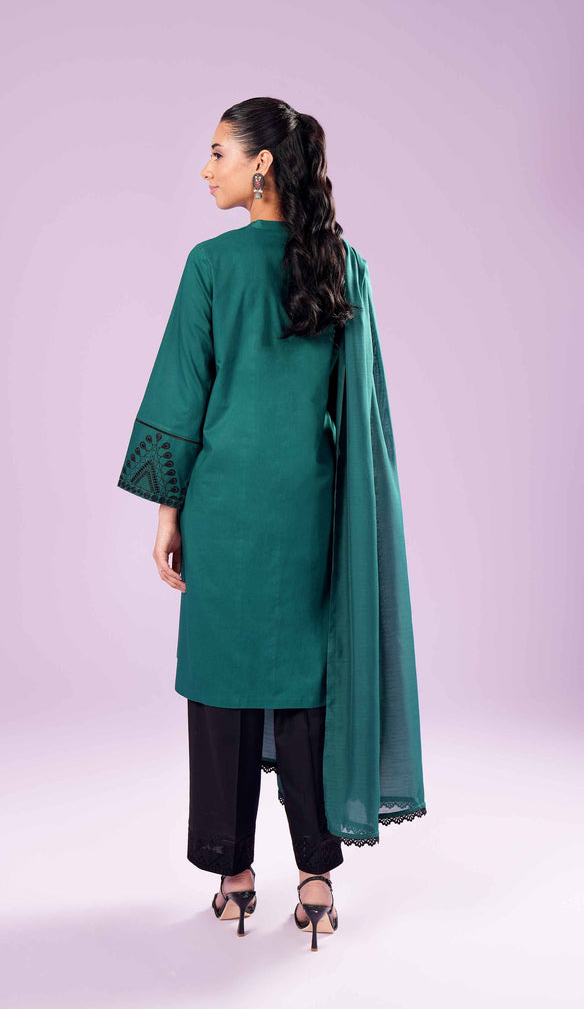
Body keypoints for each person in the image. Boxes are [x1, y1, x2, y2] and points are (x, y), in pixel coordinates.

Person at [117, 97, 427, 949]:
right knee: (303, 683)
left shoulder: (211, 266)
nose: (205, 168)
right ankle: (317, 878)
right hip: (309, 509)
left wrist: (169, 513)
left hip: (222, 508)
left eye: (218, 152)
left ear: (260, 165)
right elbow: (359, 413)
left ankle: (234, 876)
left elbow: (183, 394)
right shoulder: (341, 265)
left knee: (221, 684)